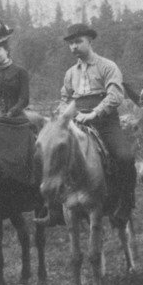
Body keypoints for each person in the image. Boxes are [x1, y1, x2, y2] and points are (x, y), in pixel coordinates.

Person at [57, 22, 135, 217]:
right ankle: (55, 208)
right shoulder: (70, 73)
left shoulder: (107, 66)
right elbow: (64, 99)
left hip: (104, 121)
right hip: (76, 121)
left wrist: (94, 113)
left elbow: (115, 95)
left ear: (89, 41)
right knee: (52, 154)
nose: (74, 47)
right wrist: (64, 116)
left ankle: (125, 203)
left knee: (125, 157)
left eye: (78, 42)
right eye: (71, 44)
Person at [0, 16, 45, 207]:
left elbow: (24, 99)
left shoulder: (20, 71)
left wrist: (12, 112)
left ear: (6, 50)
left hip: (16, 117)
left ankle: (30, 181)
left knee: (30, 143)